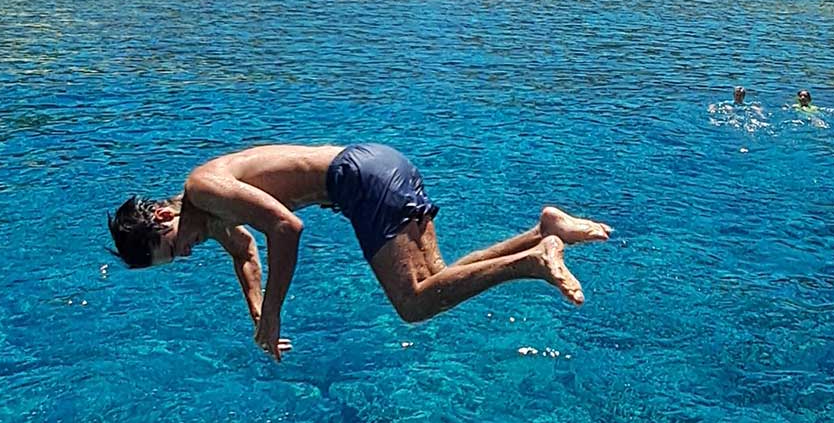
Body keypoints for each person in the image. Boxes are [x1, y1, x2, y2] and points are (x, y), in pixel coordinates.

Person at [108, 144, 611, 360]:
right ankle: (544, 230)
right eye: (176, 260)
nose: (187, 253)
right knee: (439, 280)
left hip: (359, 181)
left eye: (173, 248)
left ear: (161, 219)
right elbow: (245, 252)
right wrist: (261, 316)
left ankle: (534, 261)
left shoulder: (203, 188)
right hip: (379, 165)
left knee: (412, 305)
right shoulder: (208, 214)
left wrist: (278, 313)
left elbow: (285, 227)